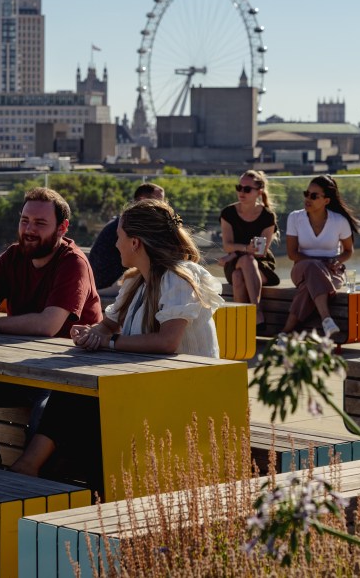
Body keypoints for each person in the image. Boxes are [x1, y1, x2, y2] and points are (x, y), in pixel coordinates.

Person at [12, 199, 223, 479]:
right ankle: (40, 474)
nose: (115, 245)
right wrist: (90, 333)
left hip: (185, 397)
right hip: (150, 387)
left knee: (80, 403)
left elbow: (167, 342)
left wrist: (108, 342)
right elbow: (107, 326)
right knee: (74, 392)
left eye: (119, 237)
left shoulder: (179, 277)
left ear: (135, 243)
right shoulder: (136, 282)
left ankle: (34, 471)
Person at [0, 187, 102, 473]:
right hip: (20, 369)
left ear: (62, 227)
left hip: (66, 377)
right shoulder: (13, 256)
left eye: (40, 223)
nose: (29, 230)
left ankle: (29, 479)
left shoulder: (73, 263)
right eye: (24, 221)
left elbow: (48, 325)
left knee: (48, 410)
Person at [281, 174, 360, 337]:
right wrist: (317, 263)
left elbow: (348, 251)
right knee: (313, 267)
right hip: (301, 268)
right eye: (306, 193)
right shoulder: (295, 218)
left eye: (314, 196)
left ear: (326, 201)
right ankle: (326, 318)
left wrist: (337, 260)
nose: (307, 198)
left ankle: (286, 332)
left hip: (332, 272)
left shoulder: (339, 221)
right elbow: (292, 254)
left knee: (307, 288)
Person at [218, 170, 280, 326]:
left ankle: (243, 324)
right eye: (239, 187)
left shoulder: (267, 216)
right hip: (234, 263)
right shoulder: (228, 213)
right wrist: (246, 248)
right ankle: (256, 312)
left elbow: (261, 253)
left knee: (239, 275)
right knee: (246, 260)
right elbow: (227, 245)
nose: (241, 192)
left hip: (261, 263)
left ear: (259, 192)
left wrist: (239, 252)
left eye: (247, 189)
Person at [88, 182, 165, 294]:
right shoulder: (129, 225)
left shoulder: (124, 221)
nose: (162, 206)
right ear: (142, 200)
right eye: (158, 201)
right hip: (103, 280)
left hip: (101, 278)